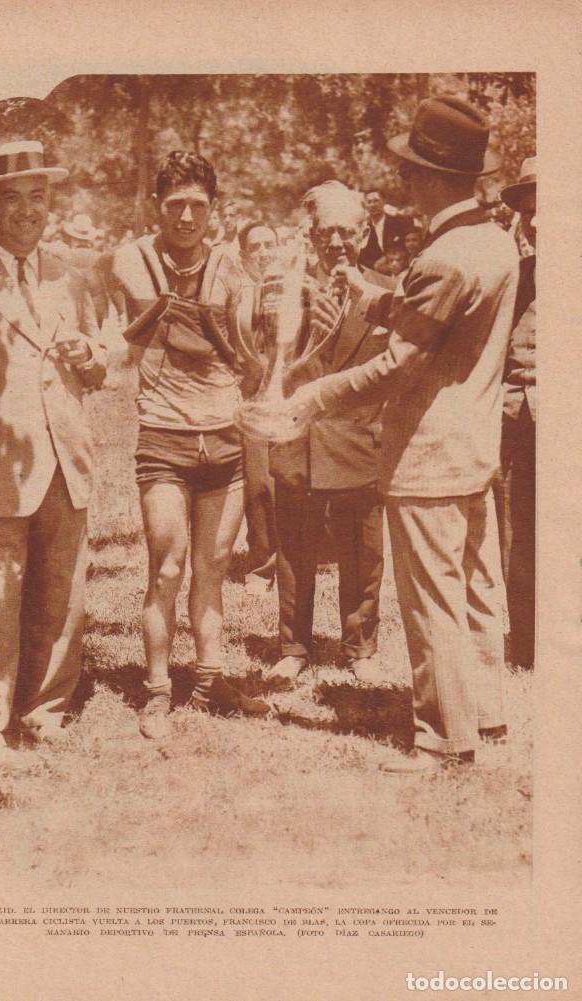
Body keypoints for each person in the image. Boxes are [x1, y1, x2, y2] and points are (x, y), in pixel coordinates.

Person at [284, 97, 519, 772]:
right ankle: (486, 713)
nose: (406, 184)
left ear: (432, 178)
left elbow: (397, 364)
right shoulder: (494, 241)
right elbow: (435, 324)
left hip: (427, 455)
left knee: (431, 603)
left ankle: (446, 739)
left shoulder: (445, 257)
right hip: (474, 450)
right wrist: (369, 292)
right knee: (476, 591)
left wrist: (314, 394)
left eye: (412, 171)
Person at [0, 140, 108, 775]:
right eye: (13, 198)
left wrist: (92, 362)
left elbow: (99, 358)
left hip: (67, 457)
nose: (29, 211)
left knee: (61, 592)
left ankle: (45, 708)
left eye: (39, 197)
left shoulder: (70, 274)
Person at [109, 151, 270, 739]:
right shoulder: (134, 257)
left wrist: (260, 335)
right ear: (157, 205)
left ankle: (209, 681)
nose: (185, 217)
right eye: (174, 204)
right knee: (168, 567)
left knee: (214, 567)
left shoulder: (233, 267)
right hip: (166, 436)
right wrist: (218, 314)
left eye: (197, 206)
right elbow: (165, 325)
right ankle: (157, 690)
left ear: (214, 209)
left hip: (224, 436)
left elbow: (248, 355)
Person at [259, 181, 390, 689]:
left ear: (364, 232)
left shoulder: (386, 291)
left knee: (364, 549)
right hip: (301, 436)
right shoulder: (287, 291)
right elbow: (268, 360)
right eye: (326, 232)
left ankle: (361, 648)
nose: (337, 242)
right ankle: (293, 646)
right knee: (294, 546)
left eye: (347, 231)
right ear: (309, 235)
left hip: (361, 438)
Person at [494, 156, 536, 668]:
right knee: (514, 540)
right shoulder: (515, 275)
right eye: (528, 213)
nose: (538, 221)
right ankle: (524, 643)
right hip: (512, 422)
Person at [235, 221, 280, 593]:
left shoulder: (294, 289)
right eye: (255, 247)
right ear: (243, 255)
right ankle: (261, 567)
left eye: (270, 245)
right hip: (253, 399)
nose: (263, 253)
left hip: (291, 395)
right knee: (259, 484)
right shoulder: (237, 295)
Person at [358, 189, 412, 269]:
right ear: (365, 205)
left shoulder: (399, 222)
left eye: (376, 201)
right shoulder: (365, 228)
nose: (372, 205)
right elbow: (362, 256)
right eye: (369, 202)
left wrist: (387, 258)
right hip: (375, 273)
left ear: (384, 201)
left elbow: (410, 246)